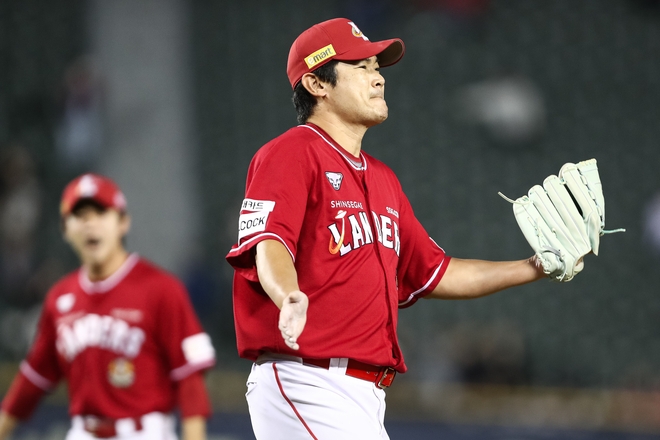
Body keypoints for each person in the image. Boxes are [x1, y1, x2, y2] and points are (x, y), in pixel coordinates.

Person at [225, 18, 546, 439]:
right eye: (360, 66)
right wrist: (287, 294)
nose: (377, 78)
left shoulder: (383, 179)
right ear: (317, 84)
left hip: (363, 393)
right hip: (306, 379)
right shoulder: (292, 153)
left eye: (377, 67)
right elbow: (269, 241)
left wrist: (535, 266)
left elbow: (437, 271)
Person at [0, 173, 216, 440]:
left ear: (123, 223)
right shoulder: (60, 297)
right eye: (80, 216)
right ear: (66, 229)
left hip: (144, 433)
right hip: (83, 432)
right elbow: (34, 378)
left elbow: (189, 376)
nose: (90, 224)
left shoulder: (161, 289)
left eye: (101, 213)